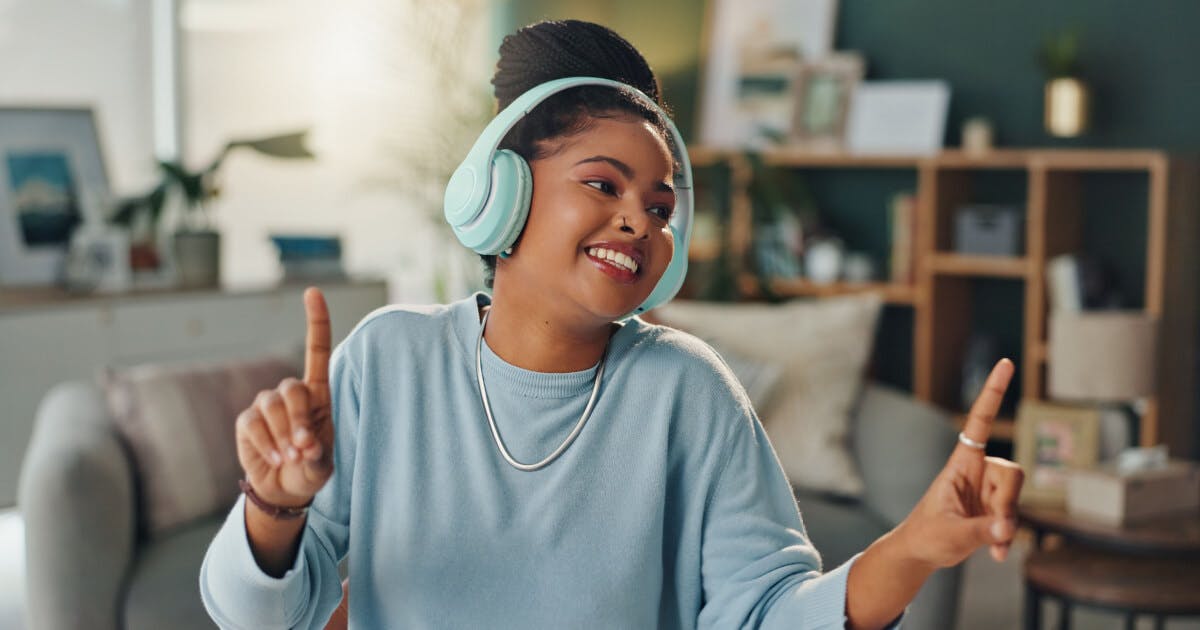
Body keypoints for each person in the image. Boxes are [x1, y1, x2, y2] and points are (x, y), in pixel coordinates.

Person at [200, 19, 1023, 629]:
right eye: (604, 184)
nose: (639, 219)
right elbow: (260, 613)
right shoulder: (389, 361)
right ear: (502, 195)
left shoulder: (689, 389)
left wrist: (911, 547)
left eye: (661, 207)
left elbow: (767, 612)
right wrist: (274, 507)